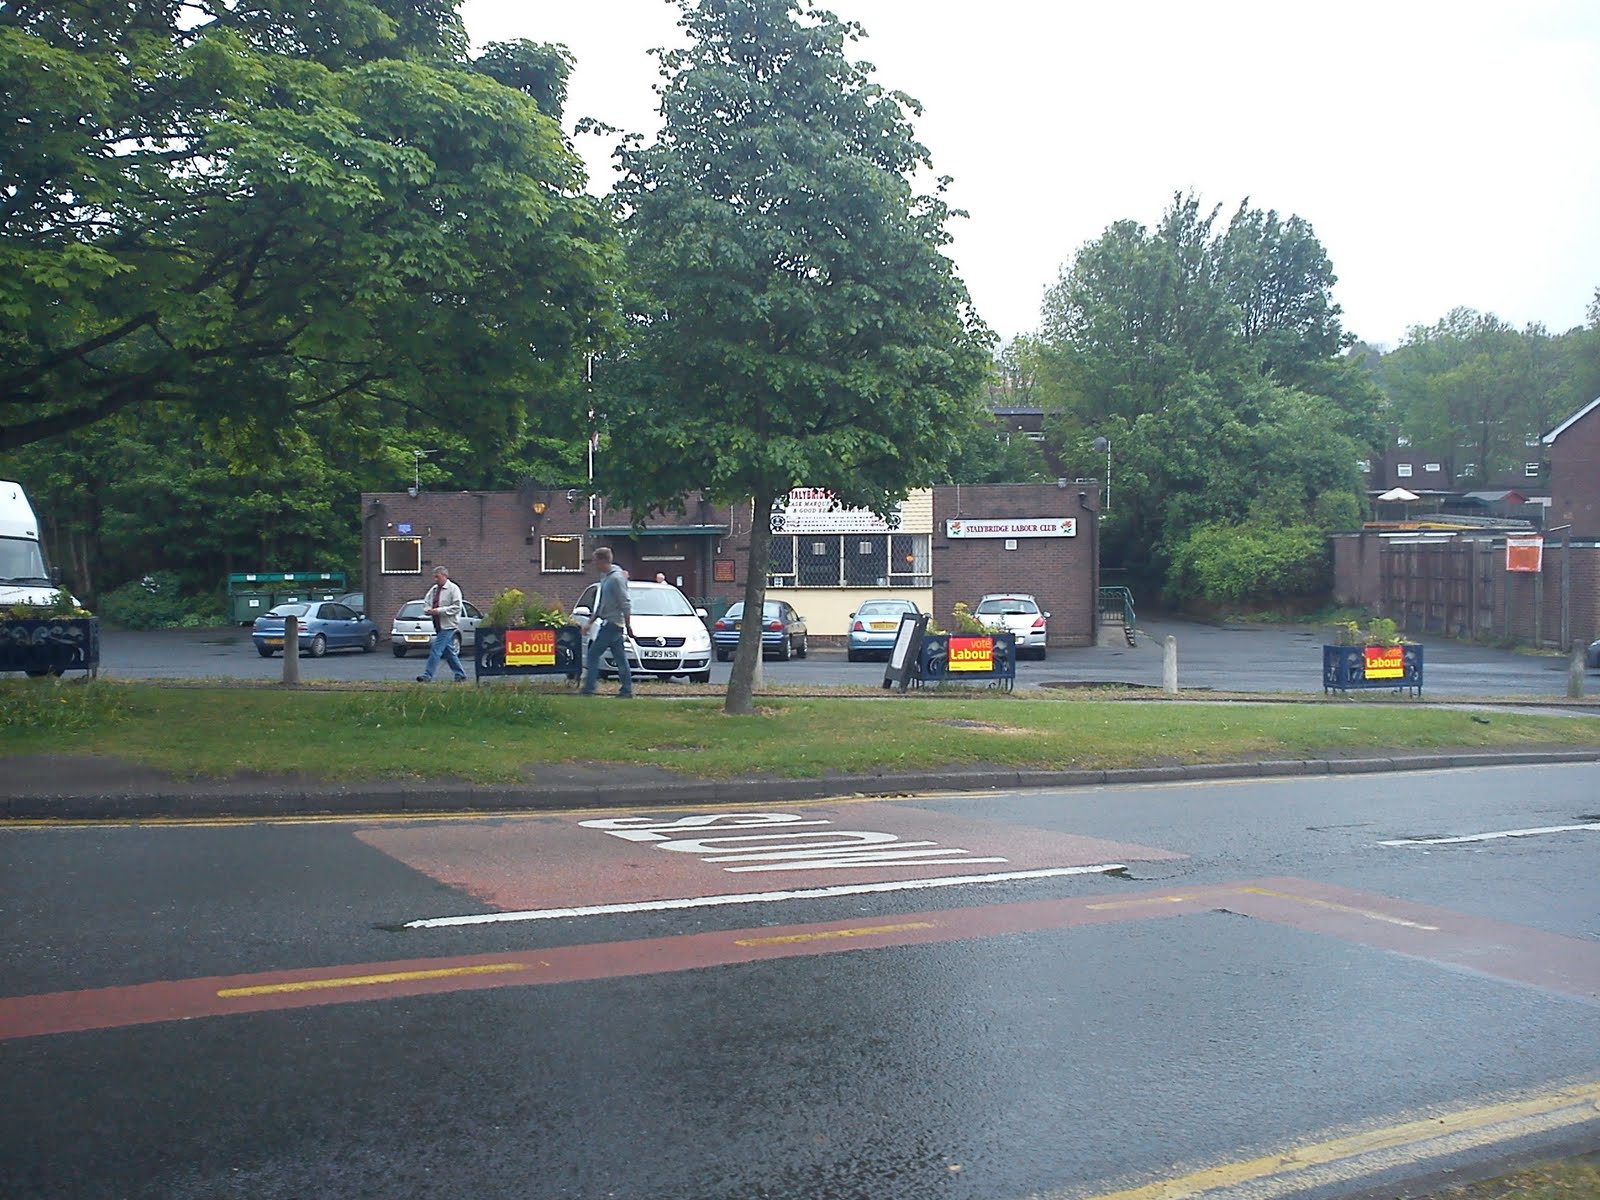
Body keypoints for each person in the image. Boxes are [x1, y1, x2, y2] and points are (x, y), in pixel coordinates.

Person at [581, 546, 634, 698]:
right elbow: (602, 604)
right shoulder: (607, 578)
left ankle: (590, 688)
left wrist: (628, 624)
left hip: (612, 624)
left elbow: (625, 602)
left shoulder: (616, 579)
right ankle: (627, 690)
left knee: (593, 654)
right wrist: (591, 622)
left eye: (596, 561)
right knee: (620, 658)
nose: (594, 564)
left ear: (603, 561)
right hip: (612, 623)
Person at [415, 565, 468, 683]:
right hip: (438, 624)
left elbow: (457, 607)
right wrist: (428, 610)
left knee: (436, 649)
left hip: (448, 625)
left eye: (437, 577)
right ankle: (460, 674)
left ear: (445, 576)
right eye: (434, 577)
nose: (435, 580)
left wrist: (438, 611)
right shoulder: (433, 590)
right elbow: (426, 602)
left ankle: (427, 675)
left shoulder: (453, 589)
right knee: (449, 651)